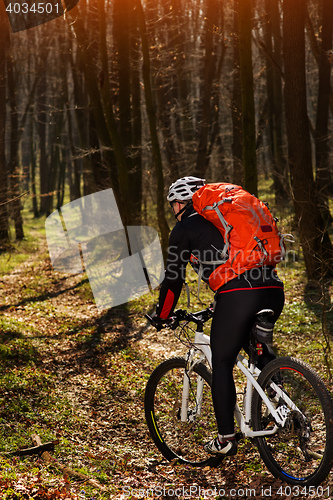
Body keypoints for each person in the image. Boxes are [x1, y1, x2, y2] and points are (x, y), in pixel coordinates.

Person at [153, 176, 285, 456]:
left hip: (239, 292)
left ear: (180, 203)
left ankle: (225, 438)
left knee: (222, 360)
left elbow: (173, 280)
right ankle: (280, 399)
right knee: (257, 349)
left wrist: (162, 315)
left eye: (173, 204)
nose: (173, 210)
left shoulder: (184, 228)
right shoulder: (224, 219)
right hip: (272, 285)